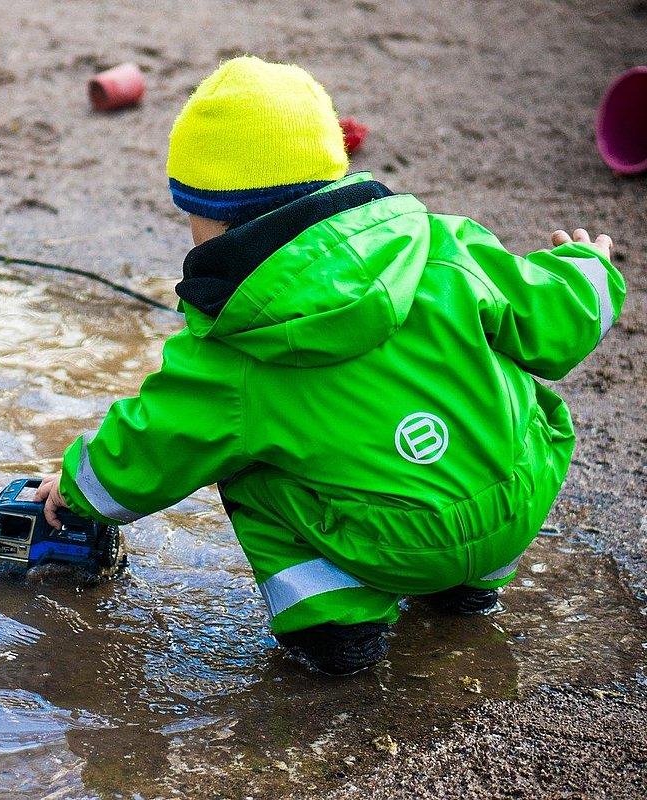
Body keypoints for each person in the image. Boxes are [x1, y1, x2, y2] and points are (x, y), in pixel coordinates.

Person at [34, 56, 625, 675]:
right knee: (500, 380)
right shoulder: (444, 246)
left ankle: (336, 626)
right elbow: (555, 318)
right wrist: (590, 269)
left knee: (237, 460)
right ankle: (468, 590)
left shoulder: (229, 348)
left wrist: (76, 492)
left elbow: (152, 445)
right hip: (515, 502)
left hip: (392, 546)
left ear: (205, 215)